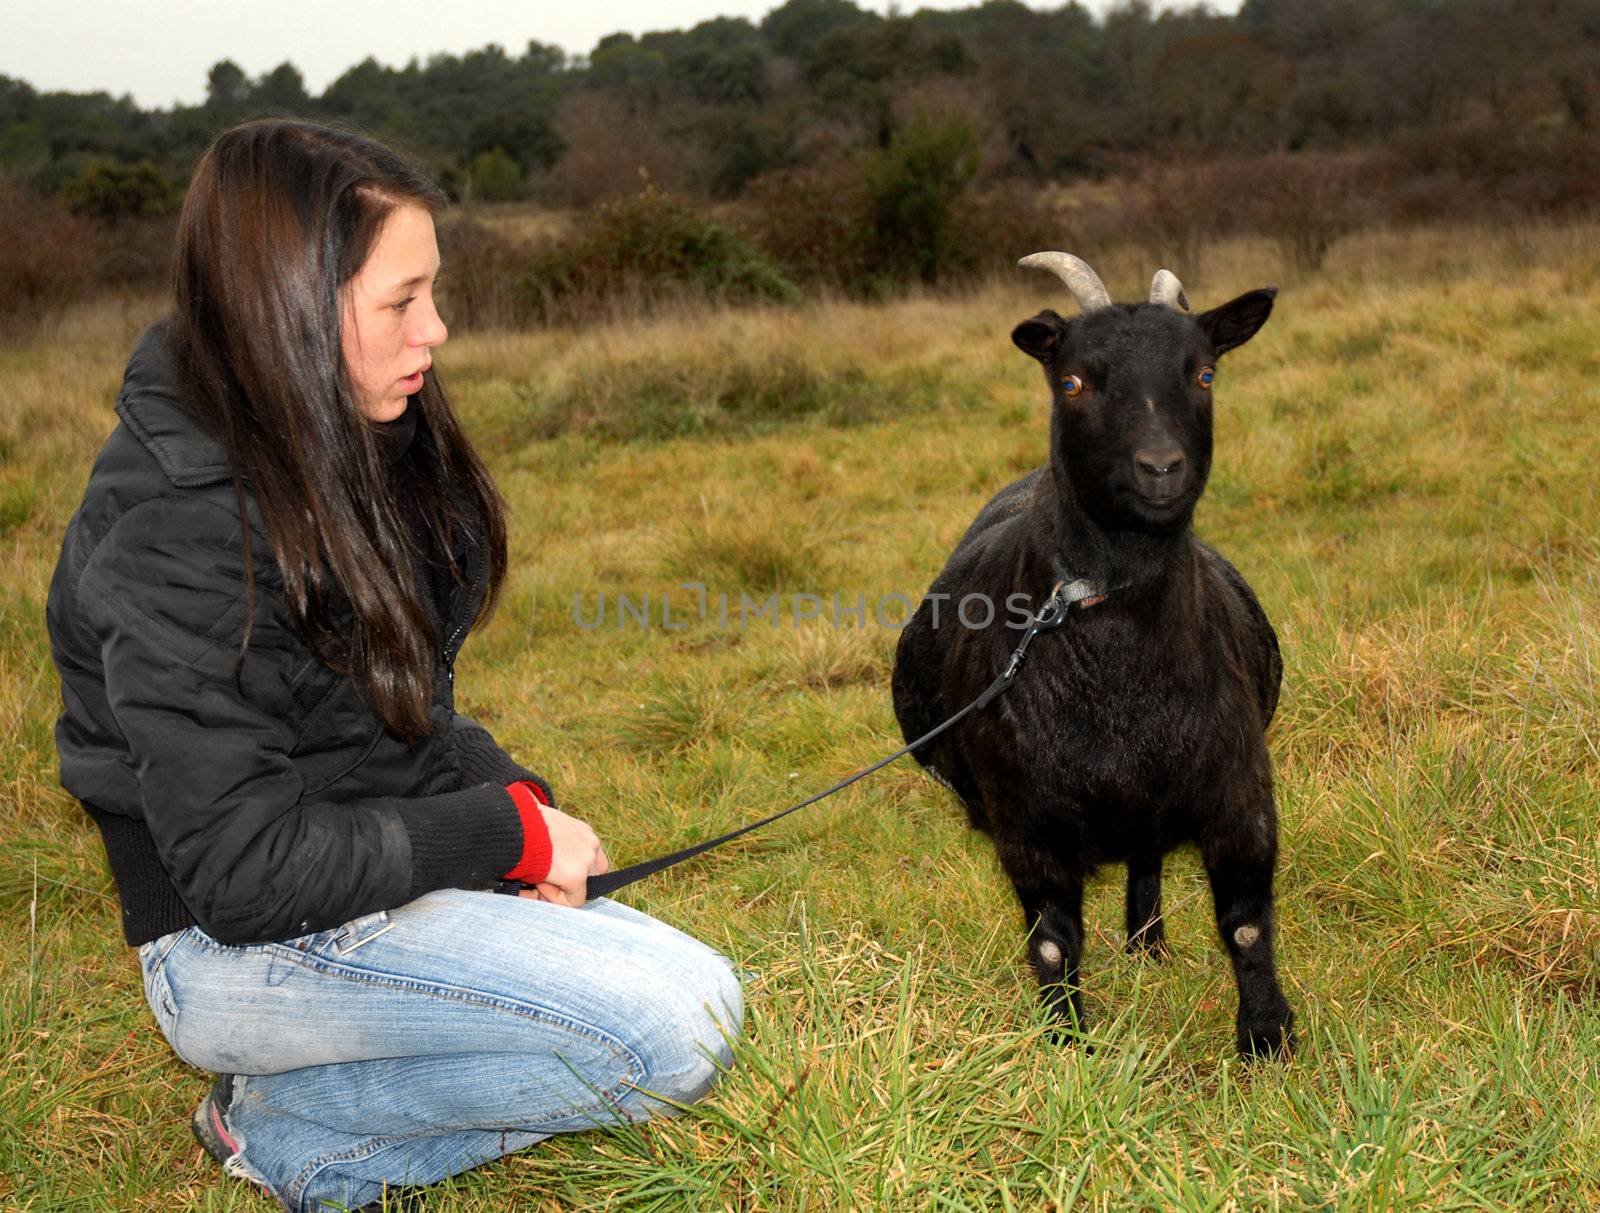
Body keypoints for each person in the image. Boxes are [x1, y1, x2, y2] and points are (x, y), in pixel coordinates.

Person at [45, 118, 743, 1213]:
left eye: (433, 292)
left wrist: (507, 794)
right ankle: (289, 1132)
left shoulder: (350, 431)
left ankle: (308, 1107)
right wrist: (502, 834)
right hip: (232, 944)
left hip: (369, 860)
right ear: (290, 307)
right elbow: (241, 873)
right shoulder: (175, 527)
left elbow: (402, 709)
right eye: (401, 301)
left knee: (688, 1002)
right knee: (679, 1022)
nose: (439, 330)